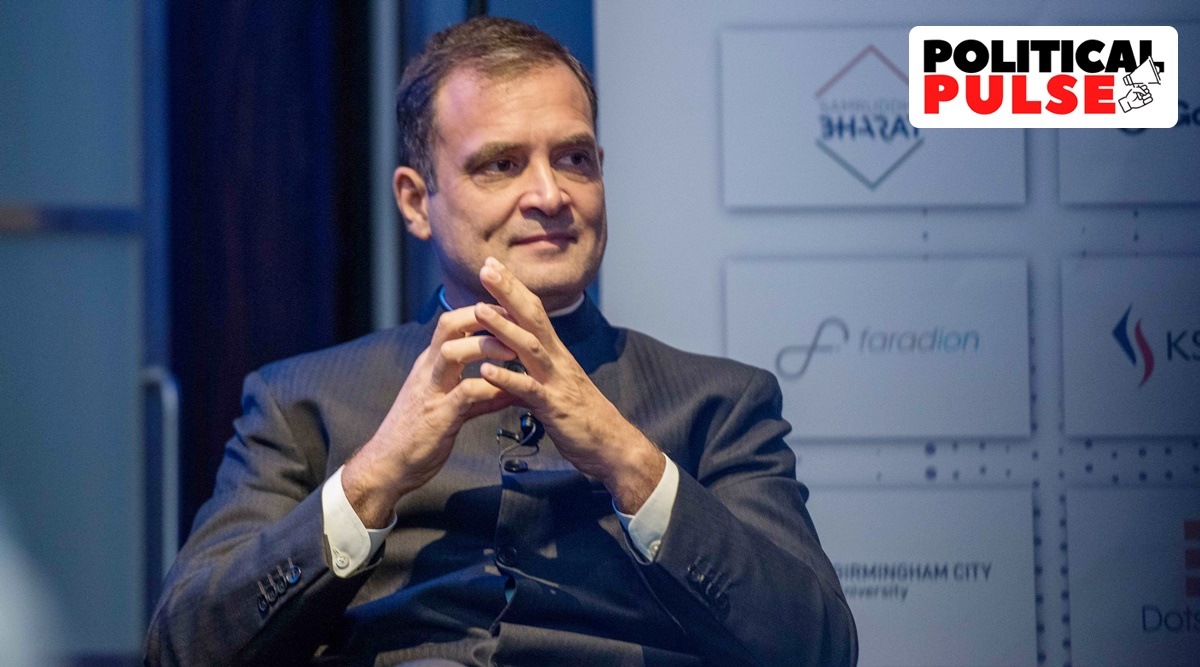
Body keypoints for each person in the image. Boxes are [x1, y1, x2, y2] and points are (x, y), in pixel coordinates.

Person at [146, 17, 856, 666]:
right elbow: (183, 649)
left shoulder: (721, 404)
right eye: (501, 164)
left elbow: (818, 647)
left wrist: (632, 463)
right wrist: (373, 478)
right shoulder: (303, 402)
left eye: (575, 159)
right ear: (417, 200)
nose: (551, 194)